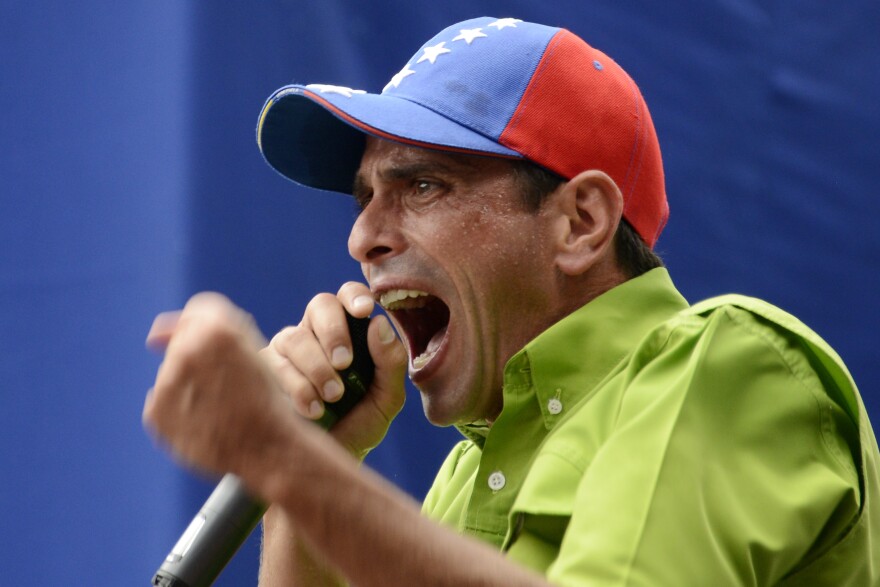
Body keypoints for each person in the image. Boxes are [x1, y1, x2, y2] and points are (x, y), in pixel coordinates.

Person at [143, 17, 880, 586]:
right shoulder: (465, 477)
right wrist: (305, 483)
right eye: (367, 197)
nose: (362, 236)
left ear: (580, 222)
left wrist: (285, 461)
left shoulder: (732, 361)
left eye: (423, 184)